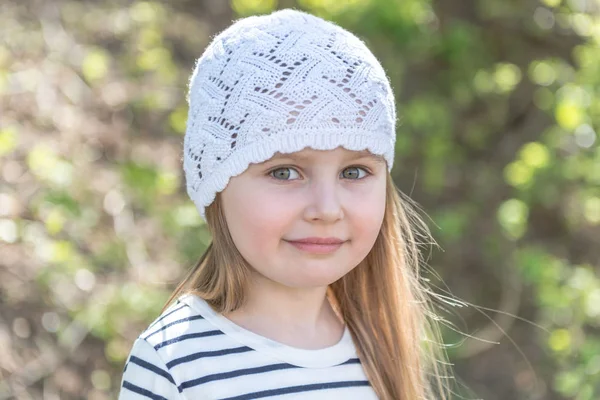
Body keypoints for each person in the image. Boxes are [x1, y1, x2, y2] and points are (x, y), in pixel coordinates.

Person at [118, 8, 451, 400]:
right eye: (284, 172)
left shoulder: (378, 347)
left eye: (355, 172)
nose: (327, 209)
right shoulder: (178, 363)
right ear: (216, 186)